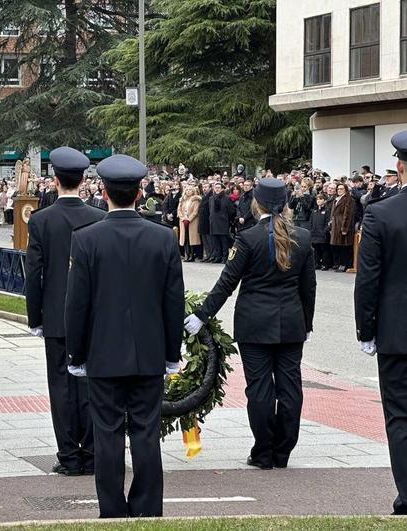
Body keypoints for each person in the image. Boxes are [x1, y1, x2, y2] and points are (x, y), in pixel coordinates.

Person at [65, 154, 184, 518]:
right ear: (138, 192)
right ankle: (147, 507)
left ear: (104, 192)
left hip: (103, 354)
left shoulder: (86, 240)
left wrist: (76, 354)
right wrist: (171, 352)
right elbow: (172, 302)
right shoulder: (163, 238)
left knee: (108, 434)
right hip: (148, 353)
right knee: (147, 432)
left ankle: (113, 509)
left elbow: (77, 305)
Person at [184, 178, 316, 470]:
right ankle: (283, 452)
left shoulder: (248, 238)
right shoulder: (303, 237)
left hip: (255, 324)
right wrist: (306, 323)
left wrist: (202, 315)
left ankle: (263, 452)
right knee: (290, 387)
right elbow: (309, 287)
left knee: (259, 389)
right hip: (291, 323)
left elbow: (226, 283)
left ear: (257, 204)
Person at [25, 147, 106, 476]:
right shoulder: (99, 218)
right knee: (90, 384)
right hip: (93, 317)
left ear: (55, 180)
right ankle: (92, 451)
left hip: (57, 316)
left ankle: (69, 455)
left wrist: (35, 318)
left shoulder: (42, 220)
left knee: (60, 386)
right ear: (83, 180)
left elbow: (34, 272)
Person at [355, 130, 407, 515]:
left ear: (399, 165)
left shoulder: (381, 212)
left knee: (402, 416)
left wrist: (366, 329)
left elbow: (368, 278)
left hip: (397, 331)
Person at [329, 182, 355, 272]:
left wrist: (344, 228)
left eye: (341, 189)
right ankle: (339, 263)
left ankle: (345, 264)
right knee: (337, 246)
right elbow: (333, 214)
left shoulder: (348, 199)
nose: (339, 190)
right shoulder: (336, 199)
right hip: (335, 225)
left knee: (344, 247)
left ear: (345, 190)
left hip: (343, 225)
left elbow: (347, 215)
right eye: (338, 189)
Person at [208, 182, 235, 263]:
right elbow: (210, 210)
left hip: (223, 222)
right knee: (215, 241)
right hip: (213, 222)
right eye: (215, 187)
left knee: (224, 241)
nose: (217, 189)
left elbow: (231, 211)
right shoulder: (211, 198)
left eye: (219, 187)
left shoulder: (227, 198)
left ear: (222, 189)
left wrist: (226, 218)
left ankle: (225, 257)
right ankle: (218, 256)